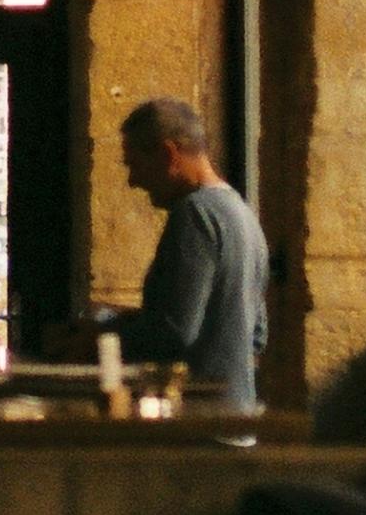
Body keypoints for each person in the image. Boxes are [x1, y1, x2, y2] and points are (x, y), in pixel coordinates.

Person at [54, 98, 266, 409]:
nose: (133, 180)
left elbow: (175, 332)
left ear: (168, 154)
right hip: (236, 413)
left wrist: (99, 339)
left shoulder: (195, 214)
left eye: (135, 164)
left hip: (196, 421)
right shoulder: (241, 213)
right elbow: (257, 333)